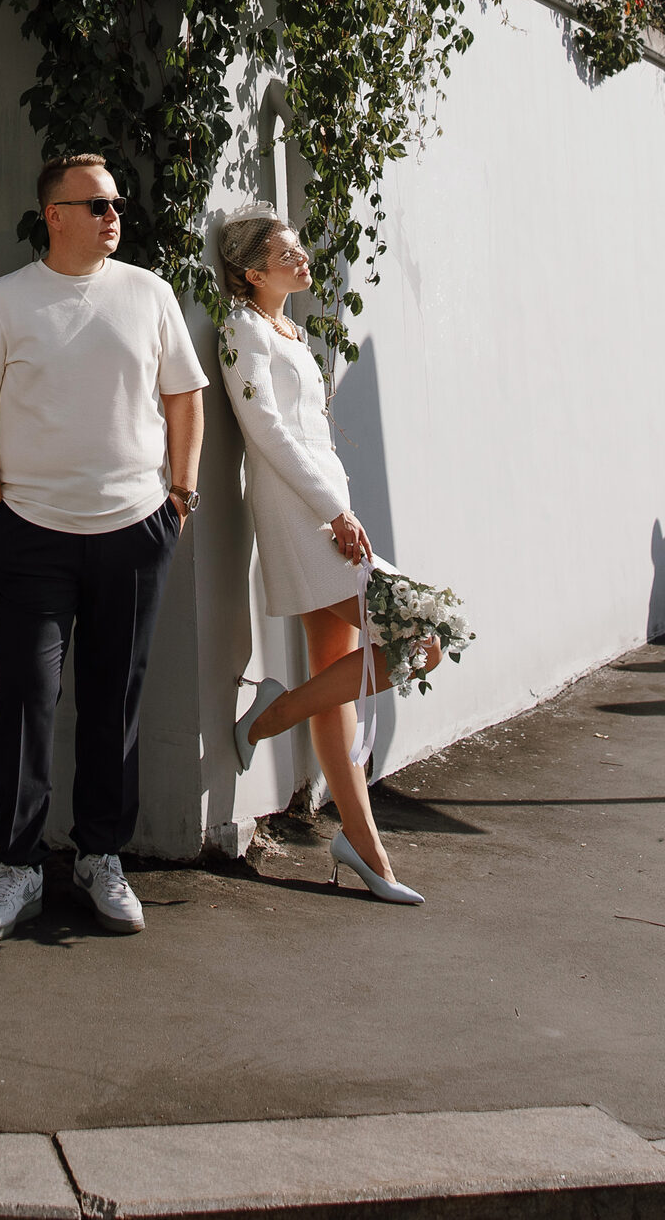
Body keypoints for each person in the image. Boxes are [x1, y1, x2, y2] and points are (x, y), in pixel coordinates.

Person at [0, 153, 206, 940]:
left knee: (113, 699)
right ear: (53, 215)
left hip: (135, 530)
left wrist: (180, 499)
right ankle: (19, 864)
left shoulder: (150, 294)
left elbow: (184, 395)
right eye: (96, 204)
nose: (112, 215)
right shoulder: (1, 304)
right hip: (32, 536)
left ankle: (101, 855)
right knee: (26, 699)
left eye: (116, 203)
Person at [217, 206, 439, 907]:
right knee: (421, 640)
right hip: (302, 516)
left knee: (341, 675)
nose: (301, 257)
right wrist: (332, 511)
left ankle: (364, 846)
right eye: (285, 253)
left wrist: (341, 505)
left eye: (298, 248)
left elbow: (310, 431)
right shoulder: (241, 329)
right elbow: (267, 430)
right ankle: (269, 718)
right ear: (253, 272)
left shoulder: (289, 329)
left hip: (329, 509)